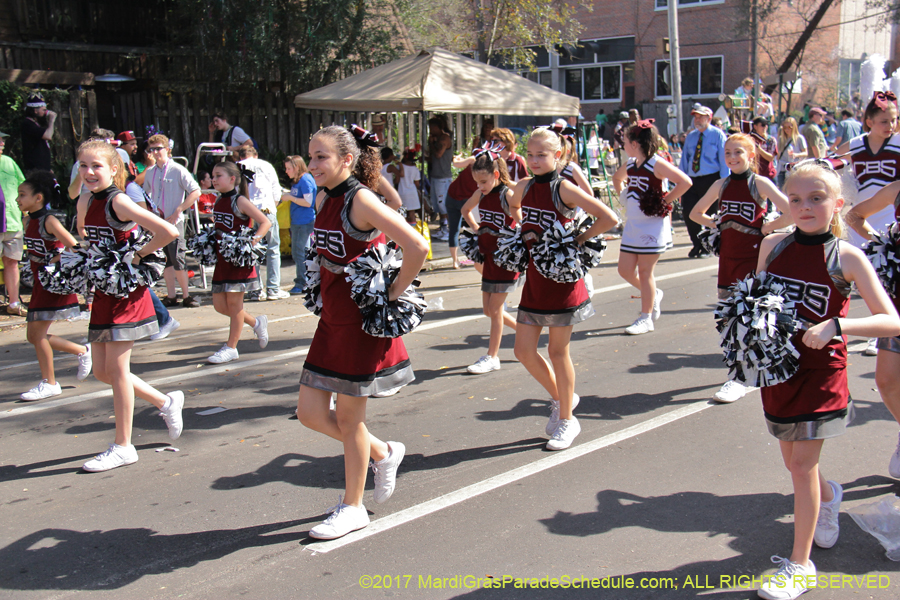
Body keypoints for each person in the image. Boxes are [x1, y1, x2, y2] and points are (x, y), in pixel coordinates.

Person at [751, 160, 899, 600]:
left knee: (800, 467)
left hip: (823, 375)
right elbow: (756, 304)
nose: (804, 206)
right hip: (779, 371)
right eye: (795, 199)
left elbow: (891, 320)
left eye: (816, 198)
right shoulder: (772, 246)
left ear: (838, 204)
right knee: (794, 465)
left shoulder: (845, 256)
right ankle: (830, 496)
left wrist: (837, 325)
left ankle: (800, 566)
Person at [296, 125, 428, 540]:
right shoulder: (322, 196)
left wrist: (391, 292)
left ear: (346, 160)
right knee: (310, 413)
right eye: (311, 156)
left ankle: (353, 507)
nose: (313, 164)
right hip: (331, 319)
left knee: (351, 419)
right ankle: (384, 452)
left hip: (359, 324)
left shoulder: (361, 199)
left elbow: (417, 246)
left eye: (322, 157)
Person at [74, 139, 184, 472]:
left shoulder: (118, 201)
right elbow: (87, 239)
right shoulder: (83, 200)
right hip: (105, 292)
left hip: (126, 293)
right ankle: (165, 401)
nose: (90, 172)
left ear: (114, 169)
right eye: (84, 166)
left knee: (118, 371)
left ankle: (124, 446)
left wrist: (135, 255)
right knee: (103, 370)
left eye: (97, 166)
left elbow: (167, 231)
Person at [510, 127, 619, 451]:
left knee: (558, 352)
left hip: (562, 284)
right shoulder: (523, 187)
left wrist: (576, 240)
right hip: (535, 283)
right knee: (523, 350)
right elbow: (514, 208)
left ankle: (568, 420)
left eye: (541, 154)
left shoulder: (565, 189)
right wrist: (524, 237)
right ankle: (563, 398)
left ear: (558, 156)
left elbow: (608, 217)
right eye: (529, 154)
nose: (534, 160)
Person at [690, 133, 792, 404]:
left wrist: (767, 227)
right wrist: (719, 224)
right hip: (728, 262)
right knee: (729, 320)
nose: (732, 157)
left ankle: (739, 376)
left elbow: (792, 211)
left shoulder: (760, 183)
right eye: (728, 153)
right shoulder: (720, 185)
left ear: (750, 155)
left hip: (754, 261)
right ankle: (741, 372)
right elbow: (695, 213)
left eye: (738, 152)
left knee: (751, 318)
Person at [17, 171, 92, 401]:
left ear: (38, 197)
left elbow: (74, 248)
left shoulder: (49, 220)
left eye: (22, 195)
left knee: (36, 334)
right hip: (39, 282)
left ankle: (50, 382)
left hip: (51, 282)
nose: (17, 199)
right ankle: (82, 351)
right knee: (34, 335)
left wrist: (56, 258)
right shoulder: (28, 219)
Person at [612, 119, 692, 335]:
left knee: (645, 271)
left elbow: (685, 182)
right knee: (624, 270)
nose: (623, 145)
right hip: (633, 225)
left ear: (636, 143)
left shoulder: (656, 163)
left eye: (626, 141)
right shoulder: (630, 164)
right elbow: (616, 178)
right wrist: (623, 196)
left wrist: (665, 201)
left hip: (652, 226)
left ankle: (646, 317)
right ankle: (653, 295)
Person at [846, 176, 900, 480]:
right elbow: (854, 215)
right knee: (887, 381)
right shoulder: (896, 189)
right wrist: (882, 244)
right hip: (898, 304)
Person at [841, 91, 900, 356]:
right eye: (885, 121)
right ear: (868, 121)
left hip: (889, 218)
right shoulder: (855, 144)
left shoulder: (899, 143)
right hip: (861, 219)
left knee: (886, 278)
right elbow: (831, 161)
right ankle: (876, 328)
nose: (891, 126)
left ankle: (881, 333)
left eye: (894, 120)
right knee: (865, 279)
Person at [460, 146, 519, 374]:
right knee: (488, 309)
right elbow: (466, 210)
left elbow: (521, 222)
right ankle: (525, 331)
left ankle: (492, 356)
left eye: (483, 182)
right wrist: (477, 230)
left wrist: (512, 241)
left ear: (496, 175)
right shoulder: (481, 194)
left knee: (495, 310)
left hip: (505, 259)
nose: (479, 187)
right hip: (488, 256)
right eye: (476, 182)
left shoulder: (508, 194)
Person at [206, 160, 270, 365]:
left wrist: (253, 240)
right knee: (219, 305)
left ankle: (231, 347)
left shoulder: (239, 201)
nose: (214, 179)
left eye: (218, 176)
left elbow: (265, 221)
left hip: (238, 262)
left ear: (232, 179)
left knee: (234, 306)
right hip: (222, 262)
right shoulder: (218, 201)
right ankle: (256, 322)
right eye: (213, 176)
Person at [142, 133, 201, 308]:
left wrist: (179, 209)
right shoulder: (150, 172)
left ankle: (186, 295)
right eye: (152, 149)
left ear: (168, 150)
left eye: (159, 148)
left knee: (178, 257)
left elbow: (195, 191)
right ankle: (171, 295)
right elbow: (145, 194)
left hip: (175, 221)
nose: (155, 152)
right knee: (165, 258)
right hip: (159, 222)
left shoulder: (178, 170)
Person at [236, 146, 289, 301]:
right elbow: (276, 191)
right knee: (272, 249)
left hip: (247, 212)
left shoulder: (238, 167)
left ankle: (255, 289)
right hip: (266, 209)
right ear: (256, 155)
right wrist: (272, 207)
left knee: (251, 250)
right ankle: (273, 288)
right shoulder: (266, 165)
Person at [679, 105, 730, 257]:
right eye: (695, 117)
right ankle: (696, 244)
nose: (697, 120)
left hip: (711, 179)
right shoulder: (691, 136)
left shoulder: (718, 135)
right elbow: (685, 160)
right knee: (689, 212)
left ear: (709, 118)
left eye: (701, 117)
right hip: (692, 180)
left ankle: (708, 246)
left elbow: (723, 160)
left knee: (709, 214)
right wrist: (680, 181)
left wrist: (724, 184)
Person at [0, 130, 26, 316]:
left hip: (12, 222)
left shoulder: (8, 162)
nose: (2, 143)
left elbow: (22, 186)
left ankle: (14, 303)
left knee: (12, 262)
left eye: (2, 139)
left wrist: (27, 212)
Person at [282, 155, 317, 295]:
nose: (286, 171)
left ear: (296, 167)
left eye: (288, 168)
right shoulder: (301, 180)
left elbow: (308, 202)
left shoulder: (305, 180)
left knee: (299, 252)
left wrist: (290, 197)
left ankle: (302, 282)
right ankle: (307, 281)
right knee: (303, 252)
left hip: (303, 222)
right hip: (298, 221)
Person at [427, 115, 453, 240]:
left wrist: (432, 144)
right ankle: (443, 227)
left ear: (438, 127)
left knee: (443, 204)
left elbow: (438, 154)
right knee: (436, 203)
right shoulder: (437, 139)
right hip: (435, 175)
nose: (430, 130)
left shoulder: (444, 139)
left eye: (432, 128)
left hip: (443, 176)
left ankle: (447, 229)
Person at [21, 93, 56, 172]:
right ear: (35, 110)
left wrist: (48, 168)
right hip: (35, 169)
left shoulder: (35, 123)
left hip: (42, 169)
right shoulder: (28, 124)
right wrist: (51, 121)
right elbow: (48, 136)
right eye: (43, 110)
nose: (45, 112)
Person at [775, 117, 808, 188]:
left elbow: (805, 153)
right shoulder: (781, 138)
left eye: (789, 127)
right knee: (782, 190)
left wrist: (796, 155)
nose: (787, 129)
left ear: (794, 127)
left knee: (793, 189)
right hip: (782, 167)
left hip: (793, 167)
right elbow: (778, 153)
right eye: (785, 127)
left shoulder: (799, 138)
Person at [396, 147, 422, 225]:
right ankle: (413, 229)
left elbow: (397, 180)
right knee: (412, 213)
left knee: (402, 213)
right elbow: (417, 184)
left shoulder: (400, 166)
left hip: (402, 191)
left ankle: (403, 230)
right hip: (412, 192)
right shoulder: (415, 169)